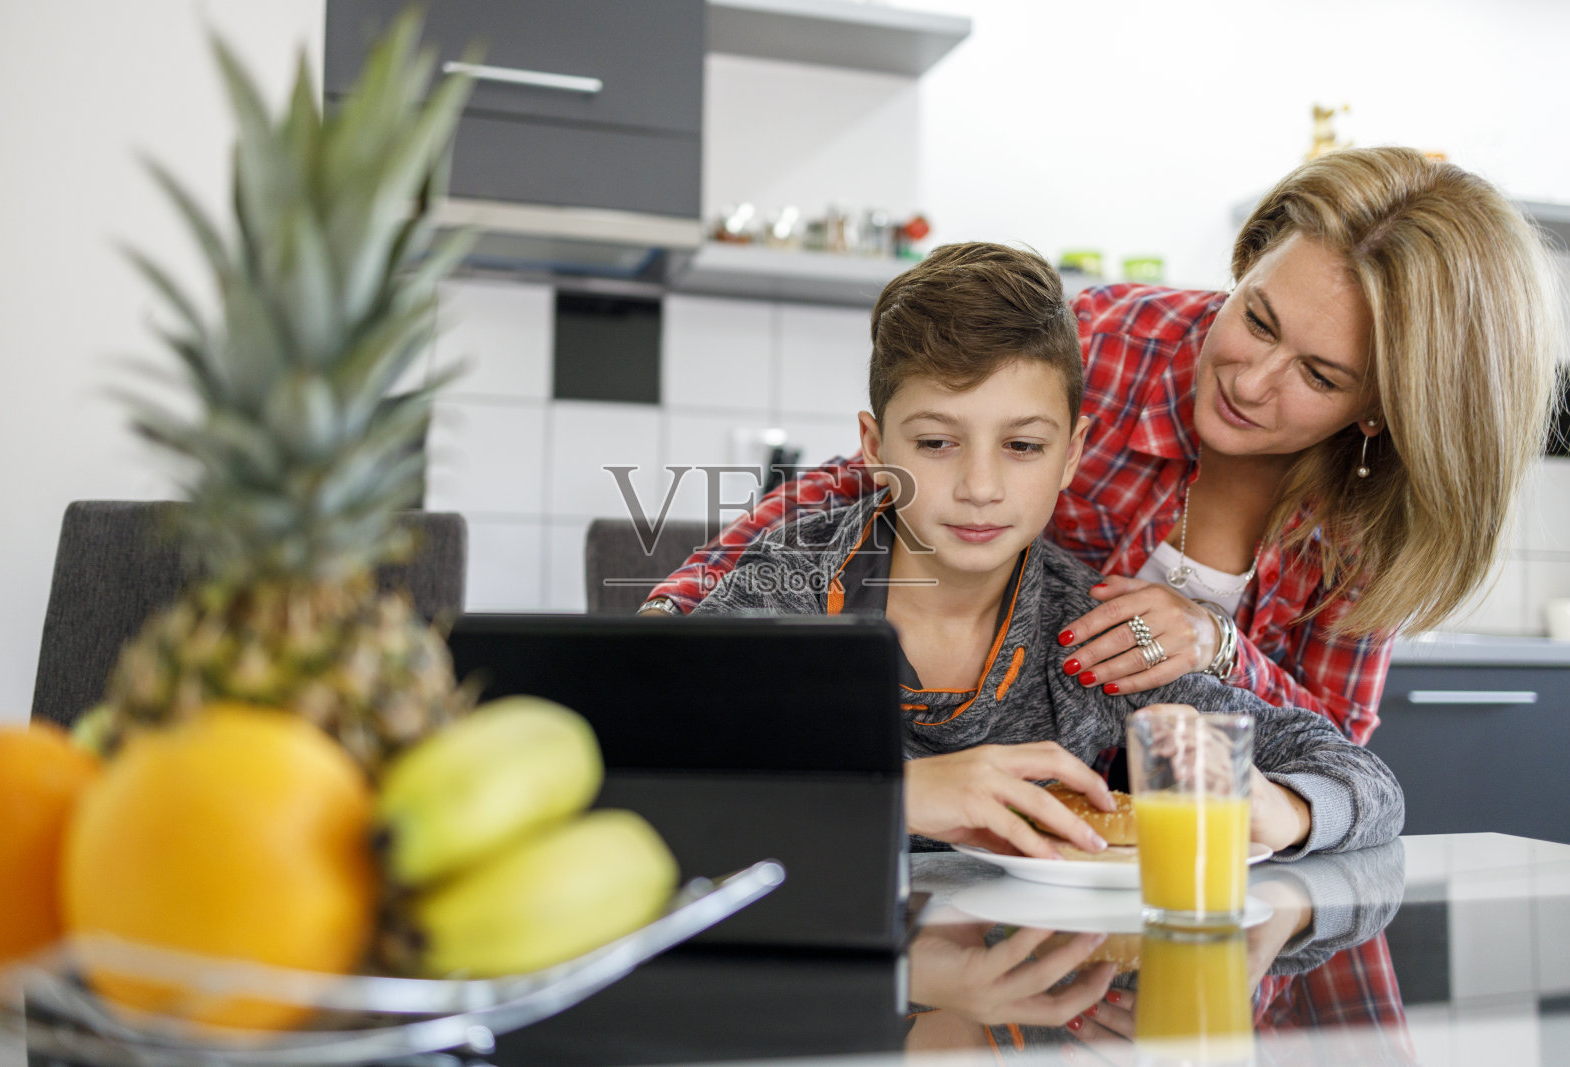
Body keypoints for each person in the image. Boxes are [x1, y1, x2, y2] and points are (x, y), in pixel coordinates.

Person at [646, 147, 1563, 748]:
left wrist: (1217, 645)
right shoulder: (1106, 344)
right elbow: (869, 486)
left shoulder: (1371, 518)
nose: (1249, 380)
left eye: (1319, 376)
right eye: (1256, 317)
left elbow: (1329, 751)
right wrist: (678, 610)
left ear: (1384, 411)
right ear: (1246, 265)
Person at [690, 242, 1404, 860]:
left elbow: (1364, 780)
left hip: (1029, 997)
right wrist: (896, 794)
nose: (980, 487)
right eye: (936, 442)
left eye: (1024, 446)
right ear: (876, 449)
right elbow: (643, 761)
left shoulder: (1087, 637)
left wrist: (1284, 808)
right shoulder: (781, 599)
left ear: (1073, 455)